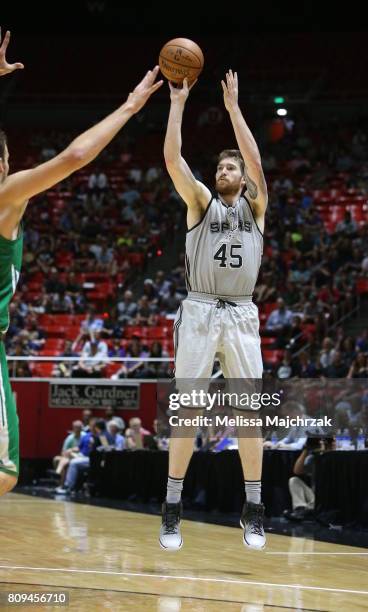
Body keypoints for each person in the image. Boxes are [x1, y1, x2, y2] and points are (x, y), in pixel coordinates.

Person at [0, 28, 162, 497]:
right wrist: (130, 107)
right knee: (6, 473)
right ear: (7, 163)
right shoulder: (7, 195)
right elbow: (74, 155)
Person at [160, 71, 268, 550]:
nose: (225, 172)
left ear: (242, 179)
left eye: (232, 168)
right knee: (188, 411)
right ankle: (171, 507)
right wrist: (179, 104)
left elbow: (257, 162)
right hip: (201, 311)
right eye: (220, 167)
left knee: (251, 415)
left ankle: (255, 508)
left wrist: (233, 109)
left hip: (242, 314)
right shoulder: (201, 201)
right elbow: (171, 159)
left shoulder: (257, 208)